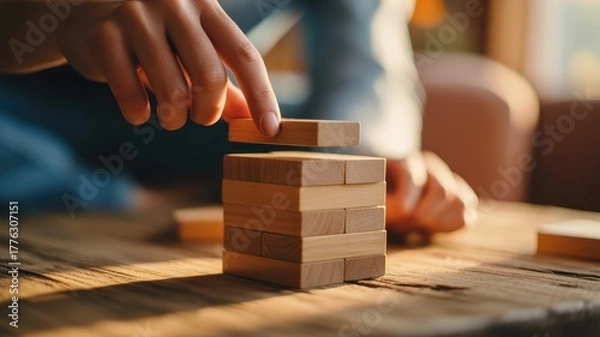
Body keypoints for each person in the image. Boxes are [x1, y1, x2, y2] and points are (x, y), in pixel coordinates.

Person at [0, 0, 478, 234]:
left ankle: (92, 189)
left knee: (295, 126)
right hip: (17, 102)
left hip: (204, 110)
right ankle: (130, 196)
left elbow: (364, 52)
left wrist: (369, 161)